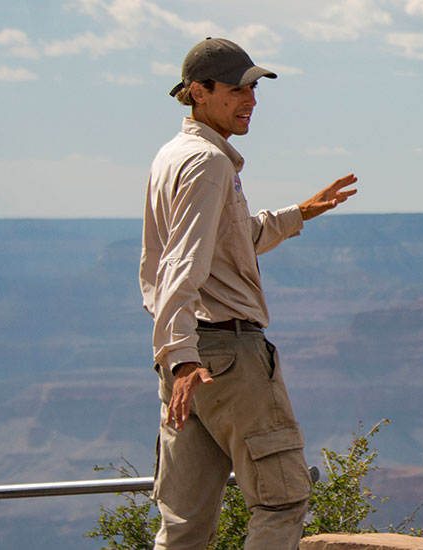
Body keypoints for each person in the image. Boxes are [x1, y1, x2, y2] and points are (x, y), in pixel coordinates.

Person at [140, 37, 360, 550]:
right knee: (282, 499)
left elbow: (230, 243)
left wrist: (300, 213)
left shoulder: (174, 156)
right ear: (198, 91)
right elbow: (181, 265)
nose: (251, 100)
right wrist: (180, 359)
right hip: (224, 357)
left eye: (254, 89)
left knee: (184, 523)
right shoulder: (208, 165)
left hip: (192, 357)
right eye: (238, 89)